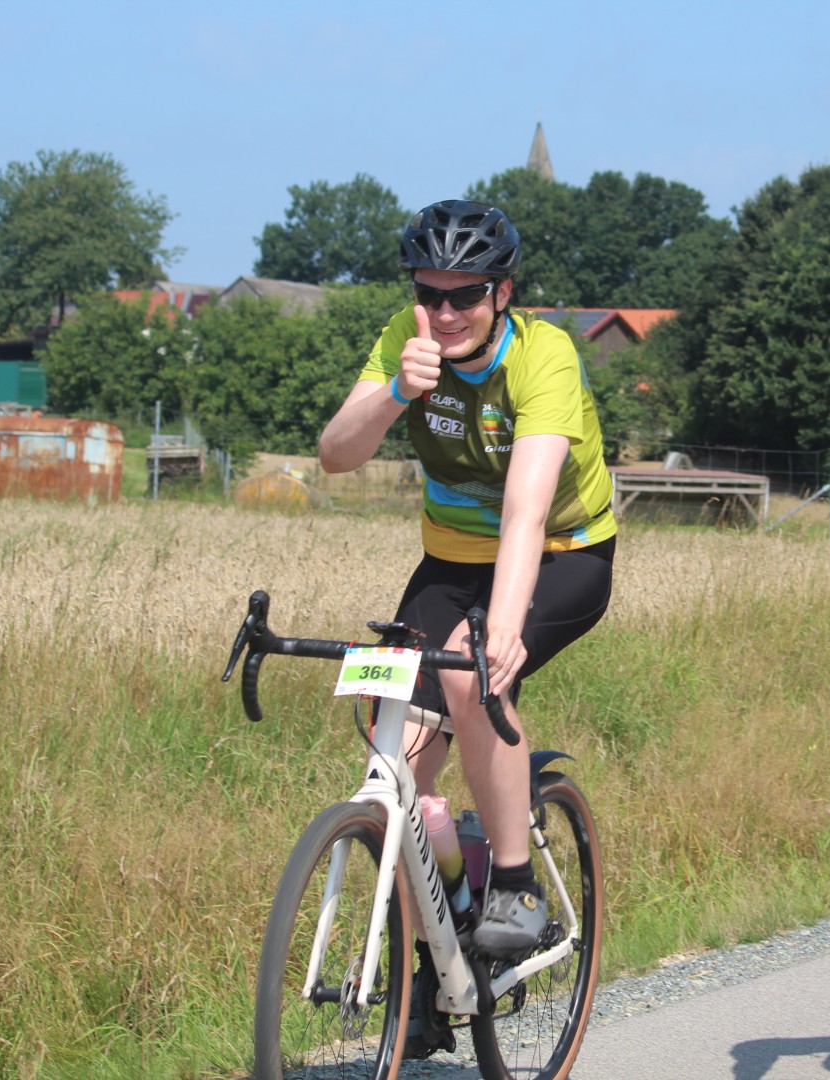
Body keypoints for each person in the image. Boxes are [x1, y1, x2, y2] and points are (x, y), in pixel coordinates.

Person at [319, 199, 615, 1057]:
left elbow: (526, 512)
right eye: (430, 293)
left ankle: (516, 884)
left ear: (502, 294)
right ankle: (430, 968)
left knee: (469, 672)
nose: (446, 312)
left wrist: (504, 630)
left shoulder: (543, 356)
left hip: (561, 555)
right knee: (397, 767)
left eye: (466, 295)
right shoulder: (404, 341)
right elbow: (336, 454)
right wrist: (394, 393)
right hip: (449, 561)